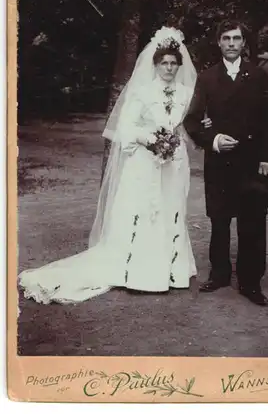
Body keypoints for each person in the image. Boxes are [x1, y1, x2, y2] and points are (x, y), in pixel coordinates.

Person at [18, 26, 197, 304]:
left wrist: (176, 143)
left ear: (179, 65)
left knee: (170, 208)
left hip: (173, 162)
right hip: (144, 160)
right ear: (156, 64)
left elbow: (187, 125)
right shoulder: (141, 92)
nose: (169, 68)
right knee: (145, 211)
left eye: (174, 63)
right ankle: (139, 272)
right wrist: (150, 139)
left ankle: (173, 269)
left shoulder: (186, 93)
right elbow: (125, 127)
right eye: (164, 63)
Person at [184, 19, 268, 306]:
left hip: (251, 162)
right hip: (219, 161)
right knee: (220, 219)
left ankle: (250, 283)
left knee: (252, 221)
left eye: (236, 39)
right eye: (226, 38)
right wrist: (212, 140)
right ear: (219, 42)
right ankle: (220, 274)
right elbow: (192, 120)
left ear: (243, 43)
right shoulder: (207, 77)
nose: (231, 44)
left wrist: (267, 158)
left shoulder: (258, 76)